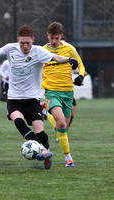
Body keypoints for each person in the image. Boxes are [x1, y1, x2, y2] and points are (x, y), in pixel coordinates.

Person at [0, 24, 78, 169]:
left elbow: (56, 57)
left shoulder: (39, 51)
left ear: (33, 40)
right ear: (17, 40)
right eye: (22, 43)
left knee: (41, 134)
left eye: (28, 43)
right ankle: (44, 151)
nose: (25, 46)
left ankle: (46, 152)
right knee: (18, 121)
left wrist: (69, 60)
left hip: (32, 99)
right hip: (14, 99)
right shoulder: (10, 48)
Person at [41, 22, 85, 167]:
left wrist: (81, 76)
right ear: (47, 36)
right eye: (51, 38)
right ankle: (68, 158)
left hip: (67, 91)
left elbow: (80, 63)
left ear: (61, 36)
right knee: (60, 122)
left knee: (63, 125)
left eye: (57, 38)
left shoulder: (69, 48)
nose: (54, 41)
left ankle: (46, 112)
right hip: (52, 91)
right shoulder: (42, 51)